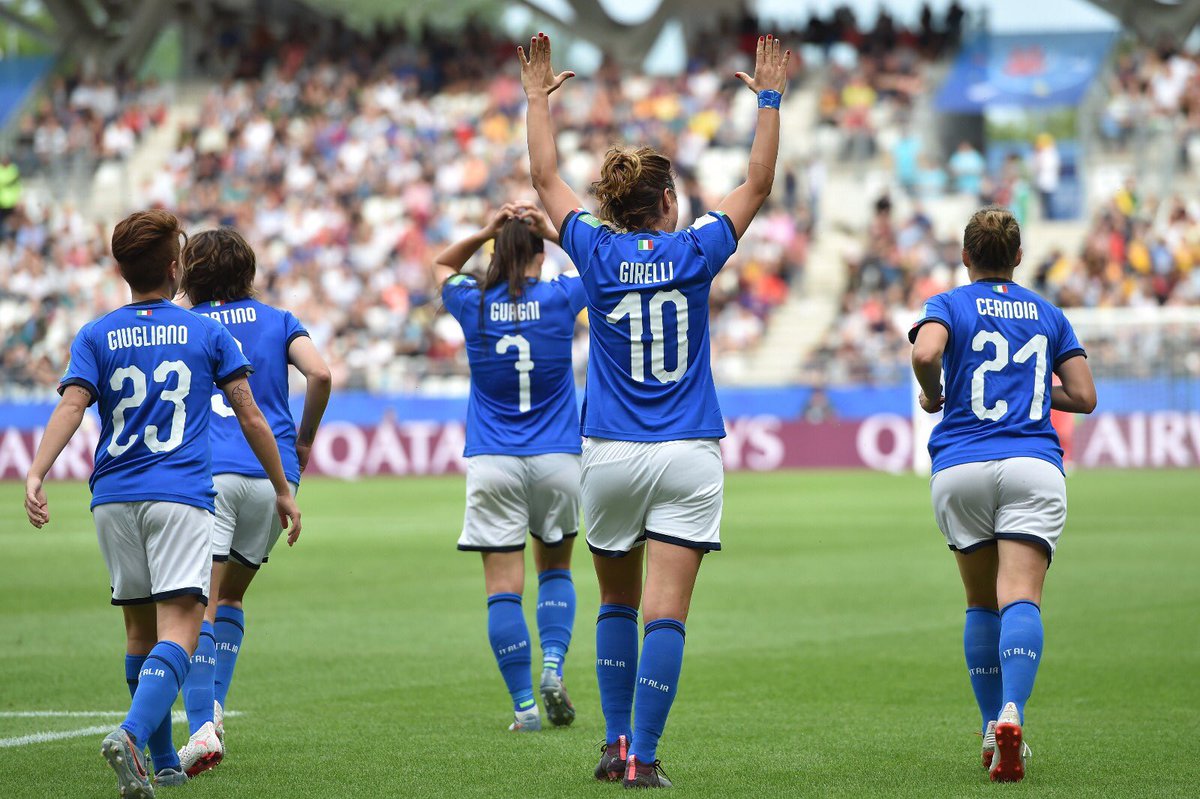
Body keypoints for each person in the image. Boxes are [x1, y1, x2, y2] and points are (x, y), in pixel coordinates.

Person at [519, 32, 789, 787]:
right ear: (666, 203)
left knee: (616, 601)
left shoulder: (596, 254)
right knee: (665, 612)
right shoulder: (697, 249)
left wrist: (538, 100)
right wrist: (768, 99)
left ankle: (610, 743)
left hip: (606, 450)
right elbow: (759, 182)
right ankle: (645, 755)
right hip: (687, 450)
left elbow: (543, 175)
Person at [22, 210, 301, 799]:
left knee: (136, 628)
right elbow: (250, 413)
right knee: (183, 626)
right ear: (175, 268)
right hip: (179, 494)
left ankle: (164, 759)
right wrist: (281, 484)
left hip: (113, 497)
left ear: (120, 269)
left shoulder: (95, 334)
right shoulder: (205, 332)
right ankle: (130, 733)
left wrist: (37, 471)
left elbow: (72, 408)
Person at [909, 206, 1096, 783]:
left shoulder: (947, 304)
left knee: (979, 601)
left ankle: (992, 727)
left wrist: (934, 392)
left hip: (961, 465)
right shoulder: (1047, 313)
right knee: (1021, 596)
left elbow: (924, 353)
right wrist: (1036, 392)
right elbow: (1085, 396)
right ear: (1018, 257)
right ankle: (1014, 710)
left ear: (966, 257)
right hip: (1031, 463)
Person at [173, 228, 331, 775]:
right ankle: (214, 701)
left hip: (205, 474)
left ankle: (201, 723)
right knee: (232, 597)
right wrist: (304, 438)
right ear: (249, 270)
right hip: (271, 476)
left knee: (199, 603)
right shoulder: (280, 319)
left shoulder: (184, 322)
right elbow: (321, 373)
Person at [434, 202, 586, 732]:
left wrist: (484, 231)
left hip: (494, 459)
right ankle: (552, 667)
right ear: (540, 256)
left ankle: (524, 706)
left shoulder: (473, 303)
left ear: (497, 255)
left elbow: (441, 267)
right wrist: (555, 230)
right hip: (557, 457)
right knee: (556, 569)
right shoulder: (561, 297)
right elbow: (600, 263)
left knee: (503, 588)